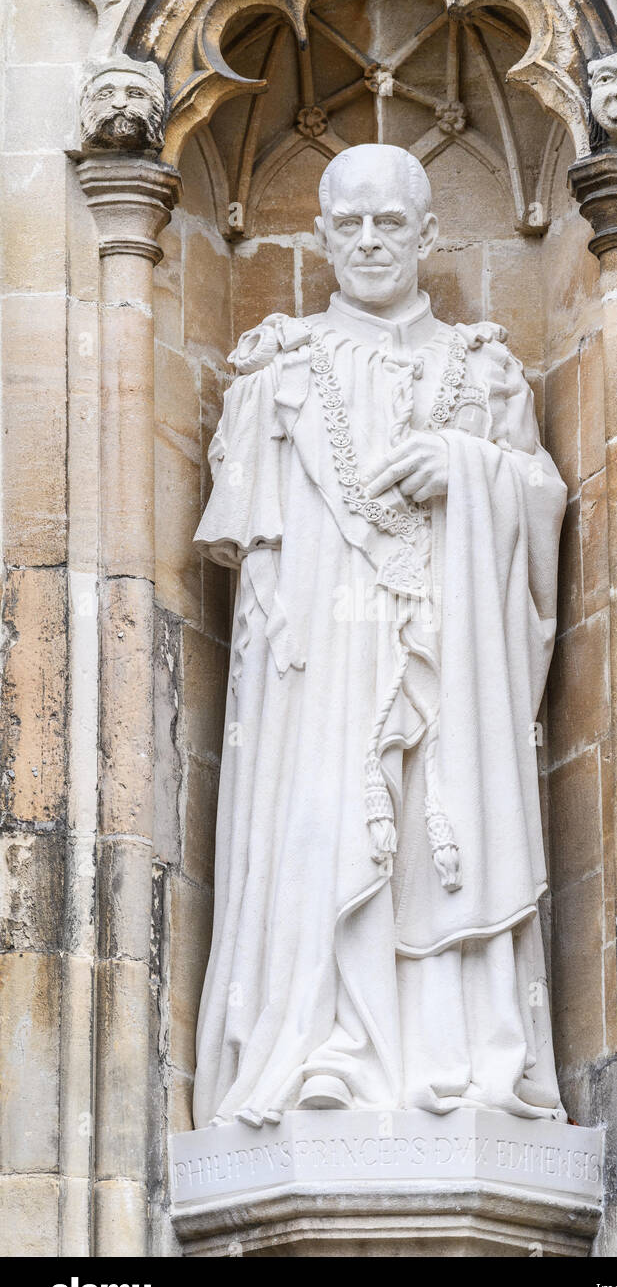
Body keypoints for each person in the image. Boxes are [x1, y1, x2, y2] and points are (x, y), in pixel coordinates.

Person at [192, 143, 568, 1129]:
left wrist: (463, 467)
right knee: (324, 826)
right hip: (320, 661)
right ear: (318, 238)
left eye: (388, 223)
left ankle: (453, 1065)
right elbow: (252, 555)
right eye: (348, 224)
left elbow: (540, 502)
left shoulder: (481, 373)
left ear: (426, 235)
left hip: (454, 647)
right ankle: (328, 1047)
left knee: (441, 828)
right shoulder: (276, 367)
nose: (367, 240)